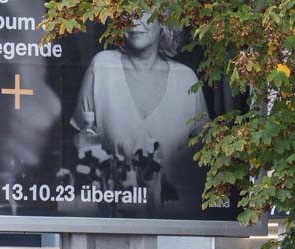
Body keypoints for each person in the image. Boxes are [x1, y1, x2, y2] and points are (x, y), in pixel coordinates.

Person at [71, 13, 210, 212]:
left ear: (163, 21)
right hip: (114, 215)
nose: (134, 21)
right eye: (127, 13)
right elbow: (81, 139)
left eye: (144, 12)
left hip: (173, 217)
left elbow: (205, 154)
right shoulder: (102, 67)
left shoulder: (186, 79)